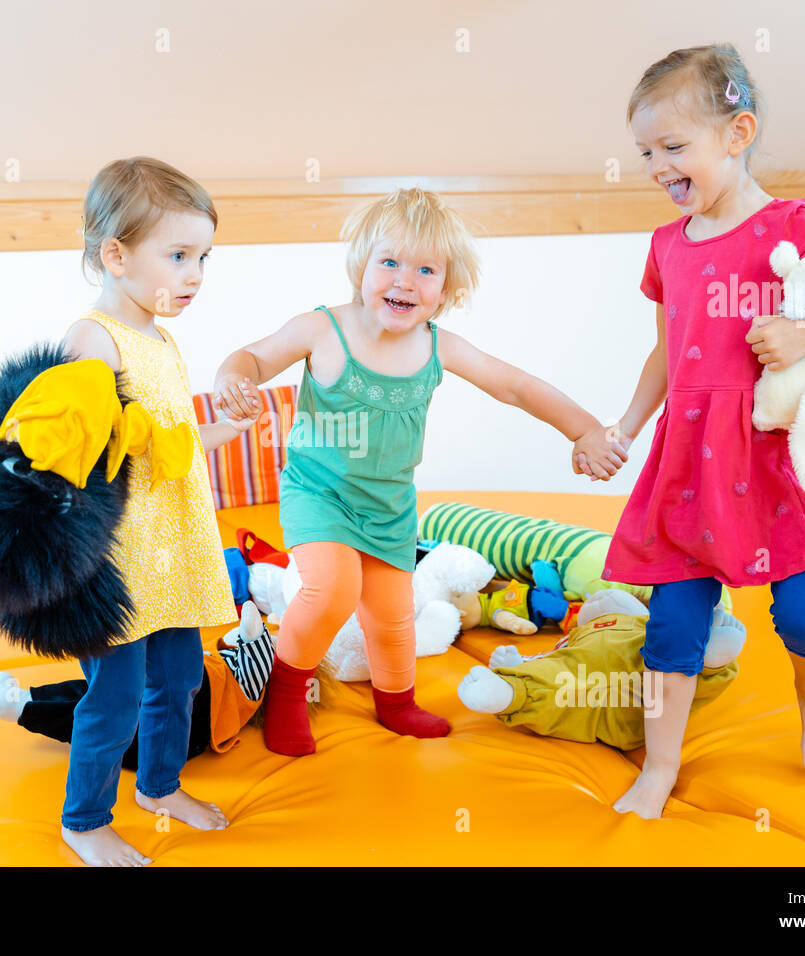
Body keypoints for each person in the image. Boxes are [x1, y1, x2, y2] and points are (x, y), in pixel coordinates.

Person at [599, 46, 805, 818]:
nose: (657, 167)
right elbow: (667, 348)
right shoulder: (667, 245)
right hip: (689, 464)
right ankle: (662, 765)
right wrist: (629, 425)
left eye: (674, 147)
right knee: (672, 626)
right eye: (645, 152)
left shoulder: (795, 226)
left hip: (780, 457)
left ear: (737, 134)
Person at [213, 186, 628, 756]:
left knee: (392, 614)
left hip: (389, 506)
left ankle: (397, 701)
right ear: (361, 267)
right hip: (319, 493)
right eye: (389, 262)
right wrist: (234, 377)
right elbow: (253, 357)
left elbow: (517, 385)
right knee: (332, 588)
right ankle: (287, 693)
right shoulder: (323, 330)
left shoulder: (438, 347)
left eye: (425, 270)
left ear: (446, 290)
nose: (404, 280)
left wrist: (583, 430)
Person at [56, 156, 257, 865]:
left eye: (203, 256)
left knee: (181, 679)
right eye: (177, 255)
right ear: (115, 255)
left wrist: (211, 435)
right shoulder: (93, 339)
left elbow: (161, 443)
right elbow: (88, 451)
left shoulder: (161, 337)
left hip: (172, 549)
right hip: (117, 558)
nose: (195, 273)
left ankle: (161, 786)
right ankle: (83, 820)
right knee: (113, 697)